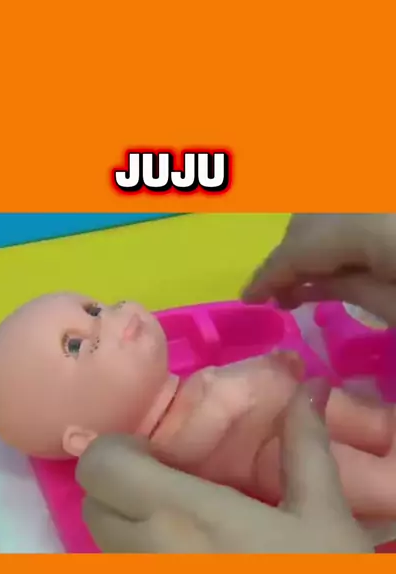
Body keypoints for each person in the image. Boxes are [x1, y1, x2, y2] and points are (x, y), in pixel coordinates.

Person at [77, 214, 396, 553]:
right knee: (337, 474)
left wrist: (272, 367)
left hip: (298, 403)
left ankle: (384, 425)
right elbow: (185, 453)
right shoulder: (158, 441)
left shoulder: (187, 381)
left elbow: (234, 379)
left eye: (94, 310)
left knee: (368, 418)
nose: (107, 317)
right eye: (74, 344)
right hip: (269, 452)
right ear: (81, 437)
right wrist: (219, 409)